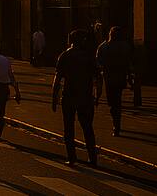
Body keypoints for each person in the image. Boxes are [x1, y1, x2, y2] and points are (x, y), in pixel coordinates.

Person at [53, 29, 101, 166]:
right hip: (85, 96)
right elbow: (98, 77)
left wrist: (54, 97)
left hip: (69, 96)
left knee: (69, 128)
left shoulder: (64, 56)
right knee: (87, 127)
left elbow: (57, 79)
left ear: (70, 40)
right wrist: (98, 95)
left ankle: (72, 157)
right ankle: (92, 158)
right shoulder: (88, 57)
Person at [96, 26, 133, 137]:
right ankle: (117, 123)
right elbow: (129, 62)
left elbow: (98, 62)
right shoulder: (125, 46)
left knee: (113, 102)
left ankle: (116, 124)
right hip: (120, 77)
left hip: (109, 78)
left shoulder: (104, 46)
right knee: (117, 101)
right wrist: (130, 78)